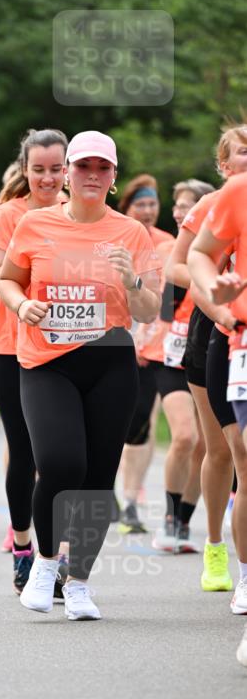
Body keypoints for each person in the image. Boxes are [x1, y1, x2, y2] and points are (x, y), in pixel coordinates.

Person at [0, 130, 161, 620]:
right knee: (61, 462)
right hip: (46, 362)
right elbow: (6, 279)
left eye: (103, 169)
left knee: (96, 478)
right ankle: (46, 564)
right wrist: (22, 303)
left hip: (109, 360)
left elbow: (151, 309)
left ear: (113, 179)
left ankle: (80, 583)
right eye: (83, 167)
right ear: (66, 172)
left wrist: (132, 277)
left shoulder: (132, 233)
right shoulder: (34, 224)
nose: (92, 176)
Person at [0, 128, 68, 593]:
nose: (47, 179)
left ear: (68, 168)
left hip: (72, 347)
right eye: (39, 170)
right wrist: (30, 257)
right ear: (25, 170)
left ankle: (58, 551)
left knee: (66, 457)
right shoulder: (8, 215)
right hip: (13, 349)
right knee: (25, 451)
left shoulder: (81, 212)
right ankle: (25, 547)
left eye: (56, 169)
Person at [166, 155, 247, 589]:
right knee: (219, 450)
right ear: (223, 161)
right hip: (215, 324)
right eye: (242, 149)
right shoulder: (218, 202)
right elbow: (179, 265)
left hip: (232, 318)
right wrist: (218, 294)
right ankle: (215, 547)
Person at [188, 170, 247, 666]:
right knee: (239, 463)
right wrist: (219, 295)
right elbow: (196, 254)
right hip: (239, 339)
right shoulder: (238, 192)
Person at [133, 181, 212, 552]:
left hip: (206, 351)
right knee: (184, 436)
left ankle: (183, 519)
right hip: (166, 354)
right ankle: (168, 518)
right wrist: (137, 336)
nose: (180, 213)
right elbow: (149, 301)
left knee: (207, 447)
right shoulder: (165, 249)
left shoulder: (218, 249)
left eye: (188, 206)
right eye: (177, 206)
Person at [116, 175, 175, 534]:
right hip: (116, 338)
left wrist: (152, 337)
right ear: (128, 207)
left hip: (155, 342)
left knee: (143, 422)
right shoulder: (117, 237)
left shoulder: (169, 244)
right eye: (141, 204)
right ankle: (104, 486)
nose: (148, 211)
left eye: (153, 204)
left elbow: (165, 299)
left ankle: (132, 502)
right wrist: (129, 337)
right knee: (115, 421)